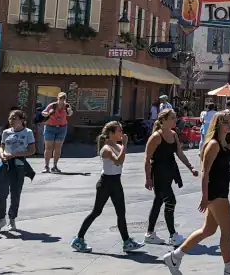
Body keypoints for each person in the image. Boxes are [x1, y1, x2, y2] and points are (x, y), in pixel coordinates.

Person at [161, 112, 230, 275]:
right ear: (217, 124)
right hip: (216, 192)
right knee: (228, 228)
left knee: (208, 230)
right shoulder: (214, 144)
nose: (229, 126)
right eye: (225, 122)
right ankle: (229, 268)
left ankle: (174, 256)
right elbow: (205, 172)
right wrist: (205, 197)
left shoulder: (226, 145)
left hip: (222, 190)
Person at [71, 121, 145, 253]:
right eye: (119, 131)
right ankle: (78, 239)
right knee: (96, 212)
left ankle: (126, 241)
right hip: (105, 183)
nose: (121, 133)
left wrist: (122, 145)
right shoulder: (106, 149)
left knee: (121, 213)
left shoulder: (117, 146)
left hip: (116, 181)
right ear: (111, 134)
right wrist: (125, 145)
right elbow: (118, 161)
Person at [145, 109, 199, 246]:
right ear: (163, 120)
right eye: (172, 118)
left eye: (175, 117)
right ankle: (172, 235)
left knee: (158, 201)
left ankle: (149, 234)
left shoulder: (174, 135)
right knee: (170, 201)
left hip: (170, 172)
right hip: (159, 173)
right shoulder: (156, 137)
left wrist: (190, 167)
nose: (175, 120)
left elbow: (180, 153)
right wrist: (148, 178)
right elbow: (147, 159)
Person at [0, 109, 36, 233]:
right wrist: (2, 154)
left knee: (15, 193)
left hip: (19, 165)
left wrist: (16, 155)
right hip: (5, 164)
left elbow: (31, 150)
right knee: (1, 193)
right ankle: (0, 219)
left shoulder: (28, 132)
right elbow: (2, 146)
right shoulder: (6, 132)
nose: (11, 121)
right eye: (10, 118)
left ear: (22, 120)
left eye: (14, 118)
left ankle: (12, 219)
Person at [41, 92, 74, 173]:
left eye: (63, 99)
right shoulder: (52, 105)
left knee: (58, 147)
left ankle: (55, 166)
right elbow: (43, 113)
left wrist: (69, 111)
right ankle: (46, 166)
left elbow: (70, 113)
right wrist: (48, 113)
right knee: (48, 147)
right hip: (50, 127)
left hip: (62, 128)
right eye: (60, 98)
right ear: (57, 98)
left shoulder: (66, 106)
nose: (62, 100)